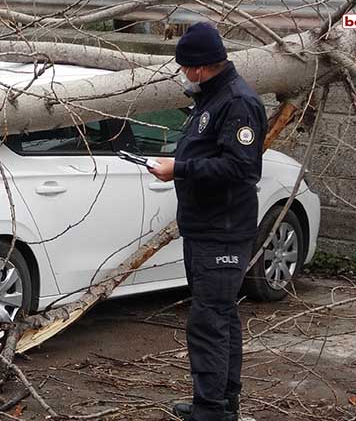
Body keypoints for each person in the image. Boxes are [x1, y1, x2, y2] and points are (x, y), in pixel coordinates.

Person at [149, 22, 267, 421]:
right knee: (220, 318)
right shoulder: (211, 99)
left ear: (200, 67)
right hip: (205, 228)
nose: (184, 74)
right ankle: (218, 403)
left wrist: (179, 168)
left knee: (208, 323)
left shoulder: (238, 103)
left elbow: (241, 168)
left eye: (186, 67)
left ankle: (211, 411)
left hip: (224, 231)